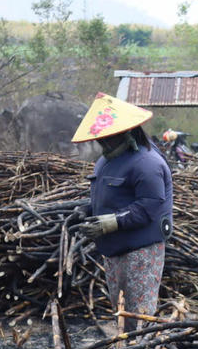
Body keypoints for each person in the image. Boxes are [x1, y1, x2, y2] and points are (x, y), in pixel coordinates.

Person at [71, 92, 173, 333]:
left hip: (141, 251)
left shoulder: (148, 164)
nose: (103, 143)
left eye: (109, 138)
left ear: (126, 133)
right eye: (101, 139)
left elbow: (149, 206)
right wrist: (86, 211)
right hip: (114, 250)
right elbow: (109, 198)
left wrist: (110, 223)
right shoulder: (105, 162)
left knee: (141, 313)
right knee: (122, 308)